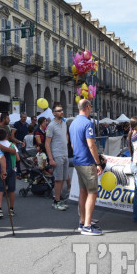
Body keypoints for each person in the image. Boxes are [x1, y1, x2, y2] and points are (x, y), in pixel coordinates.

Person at [69, 99, 103, 235]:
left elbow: (72, 144)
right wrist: (98, 162)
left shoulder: (72, 123)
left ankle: (83, 221)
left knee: (83, 191)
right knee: (92, 193)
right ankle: (87, 226)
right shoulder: (88, 123)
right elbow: (91, 145)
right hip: (87, 162)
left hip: (77, 160)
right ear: (88, 107)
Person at [45, 104, 70, 211]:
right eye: (59, 110)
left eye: (62, 110)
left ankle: (59, 199)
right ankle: (56, 201)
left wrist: (66, 141)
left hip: (65, 154)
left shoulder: (64, 123)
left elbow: (66, 136)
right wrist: (51, 158)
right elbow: (47, 143)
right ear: (54, 113)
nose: (61, 112)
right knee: (58, 180)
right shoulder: (51, 125)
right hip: (57, 155)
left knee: (63, 178)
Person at [0, 113, 18, 219]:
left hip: (1, 169)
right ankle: (11, 209)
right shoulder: (12, 145)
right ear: (7, 135)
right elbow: (18, 158)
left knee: (0, 189)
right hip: (12, 169)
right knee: (11, 190)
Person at [12, 112, 29, 178]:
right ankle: (18, 172)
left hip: (25, 144)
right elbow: (12, 136)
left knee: (26, 159)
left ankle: (25, 173)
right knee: (19, 159)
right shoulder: (16, 124)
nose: (24, 119)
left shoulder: (27, 125)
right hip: (19, 143)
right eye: (23, 117)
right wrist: (17, 142)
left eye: (25, 117)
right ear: (20, 117)